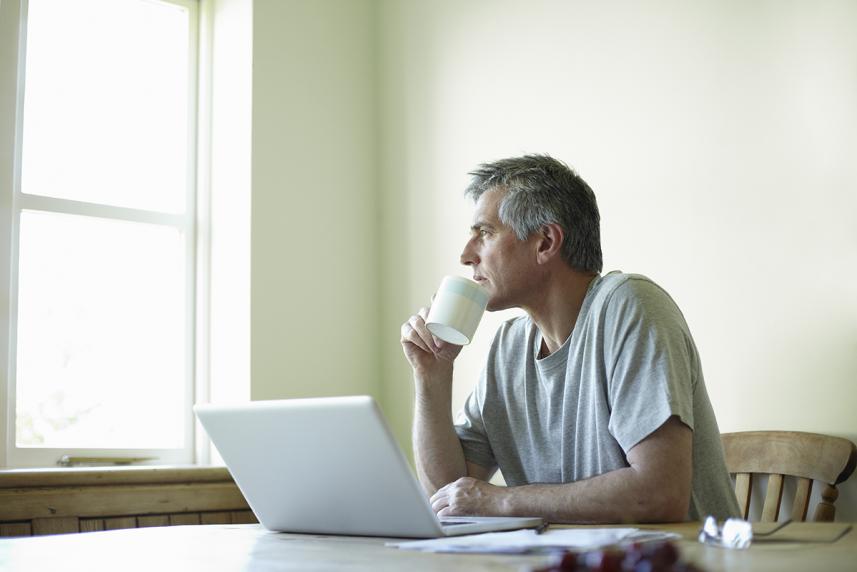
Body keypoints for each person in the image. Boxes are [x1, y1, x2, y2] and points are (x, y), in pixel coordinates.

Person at [400, 154, 740, 523]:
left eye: (484, 233)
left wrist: (501, 501)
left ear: (546, 242)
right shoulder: (508, 347)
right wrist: (432, 376)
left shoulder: (631, 306)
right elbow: (449, 497)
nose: (466, 255)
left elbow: (659, 496)